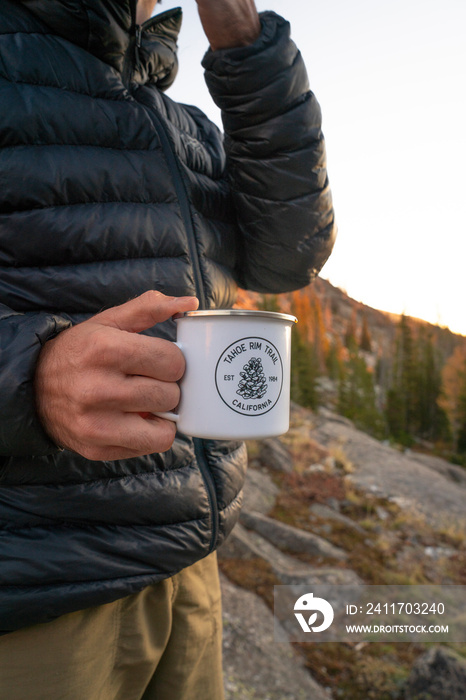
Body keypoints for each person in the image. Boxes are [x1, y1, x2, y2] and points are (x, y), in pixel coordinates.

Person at [0, 0, 336, 697]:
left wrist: (246, 47)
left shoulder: (180, 123)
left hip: (188, 566)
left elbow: (287, 256)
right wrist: (29, 376)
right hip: (38, 599)